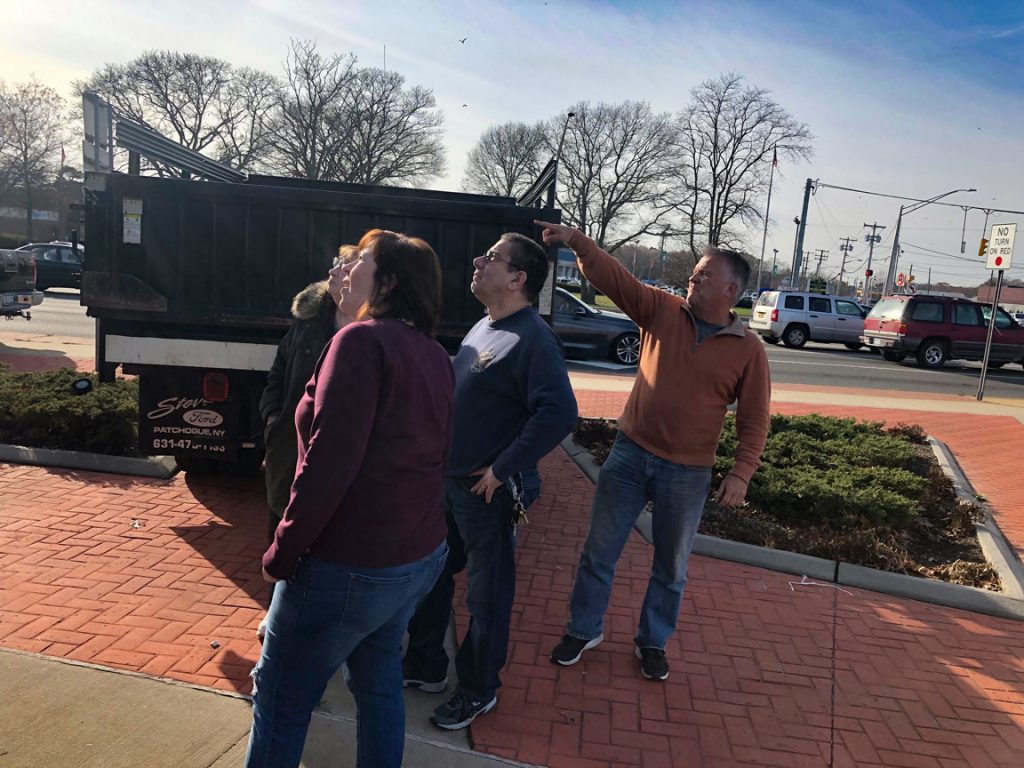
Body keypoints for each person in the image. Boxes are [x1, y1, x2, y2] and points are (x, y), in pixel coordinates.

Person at [244, 229, 455, 768]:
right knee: (378, 682)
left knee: (281, 695)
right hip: (415, 557)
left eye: (361, 259)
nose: (345, 264)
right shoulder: (430, 353)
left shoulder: (361, 343)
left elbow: (329, 463)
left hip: (349, 564)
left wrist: (282, 552)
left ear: (385, 282)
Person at [535, 220, 771, 682]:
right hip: (629, 454)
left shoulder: (749, 351)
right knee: (599, 551)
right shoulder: (662, 310)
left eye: (703, 275)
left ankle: (652, 641)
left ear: (730, 289)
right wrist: (578, 242)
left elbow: (754, 418)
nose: (692, 279)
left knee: (671, 566)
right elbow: (616, 280)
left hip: (688, 473)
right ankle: (583, 629)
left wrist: (741, 472)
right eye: (693, 273)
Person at [403, 232, 578, 730]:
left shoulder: (533, 340)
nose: (479, 260)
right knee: (433, 575)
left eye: (493, 258)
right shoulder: (486, 325)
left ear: (518, 279)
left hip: (489, 495)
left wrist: (503, 468)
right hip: (452, 485)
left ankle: (479, 690)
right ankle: (425, 667)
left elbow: (560, 413)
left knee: (487, 595)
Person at [255, 245, 357, 641]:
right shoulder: (308, 321)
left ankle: (323, 626)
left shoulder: (373, 332)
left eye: (345, 265)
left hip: (333, 459)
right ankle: (275, 615)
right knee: (280, 527)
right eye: (334, 263)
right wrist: (272, 418)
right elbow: (278, 372)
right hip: (288, 452)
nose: (335, 270)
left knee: (327, 538)